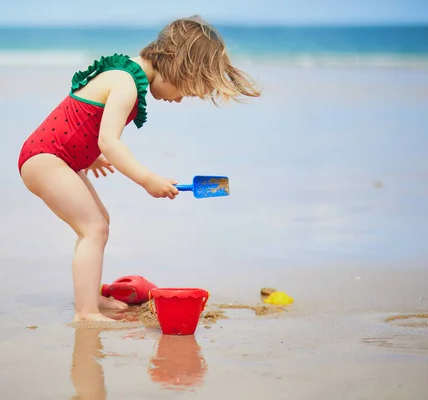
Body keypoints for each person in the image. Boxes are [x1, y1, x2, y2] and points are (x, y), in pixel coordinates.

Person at [18, 15, 261, 323]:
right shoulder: (126, 82)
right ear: (175, 63)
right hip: (46, 158)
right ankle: (85, 312)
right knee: (93, 229)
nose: (182, 98)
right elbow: (109, 140)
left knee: (99, 223)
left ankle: (90, 297)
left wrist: (88, 154)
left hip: (61, 156)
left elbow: (82, 115)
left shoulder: (127, 76)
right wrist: (148, 179)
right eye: (185, 88)